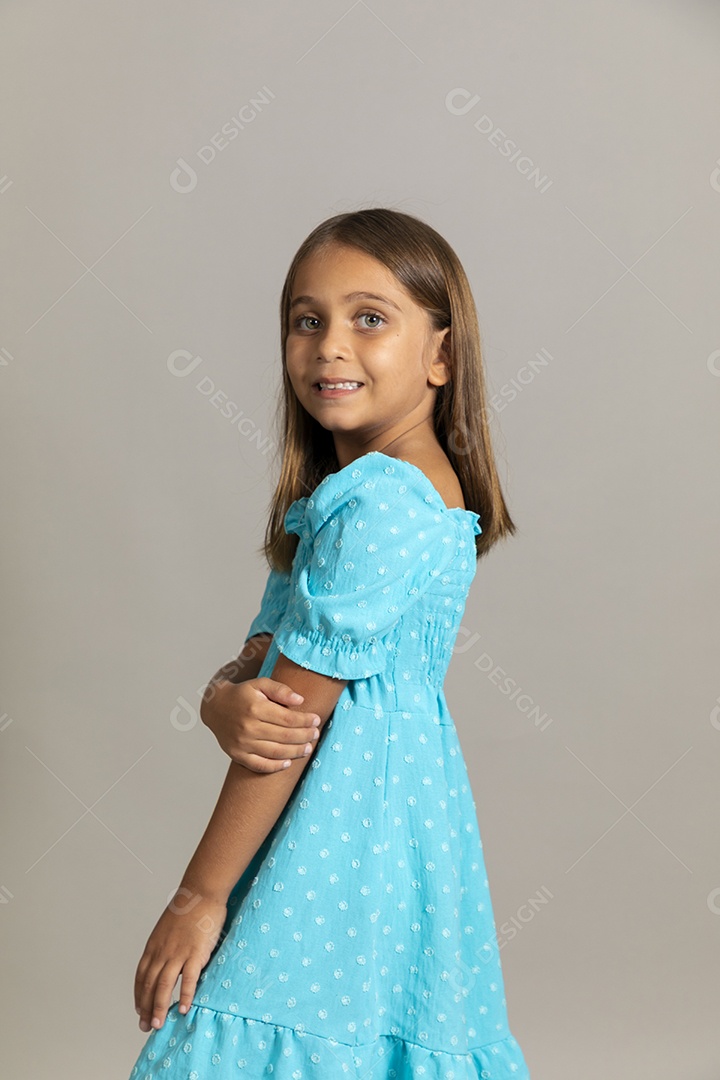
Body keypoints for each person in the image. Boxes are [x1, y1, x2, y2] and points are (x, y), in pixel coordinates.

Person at [128, 207, 532, 1078]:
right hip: (391, 815)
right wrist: (222, 695)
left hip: (342, 823)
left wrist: (198, 896)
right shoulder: (353, 496)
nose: (329, 347)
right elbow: (262, 659)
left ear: (442, 355)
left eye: (369, 318)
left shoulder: (382, 502)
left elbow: (287, 719)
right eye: (306, 320)